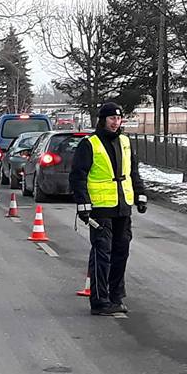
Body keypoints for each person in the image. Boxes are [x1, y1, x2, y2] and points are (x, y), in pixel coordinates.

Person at [69, 102, 147, 316]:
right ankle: (100, 300)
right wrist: (83, 205)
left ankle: (116, 296)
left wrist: (140, 195)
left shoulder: (125, 142)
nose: (116, 122)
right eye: (112, 118)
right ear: (103, 120)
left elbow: (133, 172)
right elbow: (78, 176)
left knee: (121, 252)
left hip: (122, 207)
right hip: (101, 207)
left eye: (119, 118)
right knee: (102, 253)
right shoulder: (90, 144)